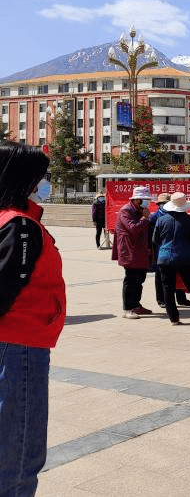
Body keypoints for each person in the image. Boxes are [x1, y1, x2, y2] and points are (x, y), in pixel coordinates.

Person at [0, 142, 66, 497]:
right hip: (19, 345)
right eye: (40, 178)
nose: (44, 184)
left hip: (15, 341)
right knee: (20, 450)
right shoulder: (20, 226)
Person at [152, 193, 190, 326]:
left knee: (167, 288)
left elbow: (155, 240)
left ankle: (173, 318)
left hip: (164, 258)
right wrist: (187, 249)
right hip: (184, 257)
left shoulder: (161, 220)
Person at [111, 186, 154, 319]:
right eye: (144, 199)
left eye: (147, 199)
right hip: (129, 250)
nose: (147, 202)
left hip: (140, 249)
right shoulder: (126, 210)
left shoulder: (141, 210)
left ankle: (136, 305)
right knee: (131, 279)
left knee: (140, 279)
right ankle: (128, 308)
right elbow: (133, 228)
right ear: (136, 199)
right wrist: (145, 219)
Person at [150, 193, 190, 310]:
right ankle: (161, 299)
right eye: (161, 204)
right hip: (161, 251)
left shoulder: (178, 215)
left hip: (178, 252)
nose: (163, 206)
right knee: (161, 278)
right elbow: (153, 238)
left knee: (179, 276)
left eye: (165, 204)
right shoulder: (155, 217)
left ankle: (181, 298)